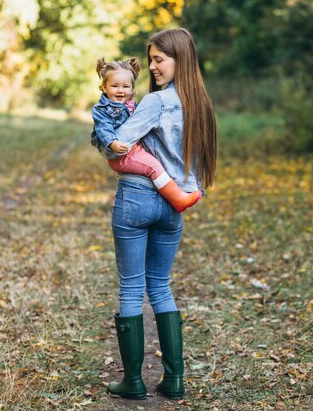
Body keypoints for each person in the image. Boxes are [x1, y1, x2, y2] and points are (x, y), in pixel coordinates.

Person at [106, 28, 217, 400]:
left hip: (138, 199)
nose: (152, 67)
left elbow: (117, 148)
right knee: (161, 286)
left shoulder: (156, 102)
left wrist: (108, 140)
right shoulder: (199, 103)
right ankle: (174, 380)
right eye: (150, 59)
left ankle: (133, 383)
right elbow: (198, 165)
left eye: (159, 59)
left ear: (179, 60)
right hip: (174, 204)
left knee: (132, 288)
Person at [91, 57, 202, 213]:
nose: (120, 90)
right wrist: (113, 143)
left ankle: (174, 193)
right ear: (104, 87)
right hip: (122, 154)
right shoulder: (101, 109)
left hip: (134, 150)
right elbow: (103, 128)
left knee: (157, 161)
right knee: (153, 166)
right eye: (114, 86)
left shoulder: (132, 104)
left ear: (132, 89)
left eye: (125, 86)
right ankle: (177, 198)